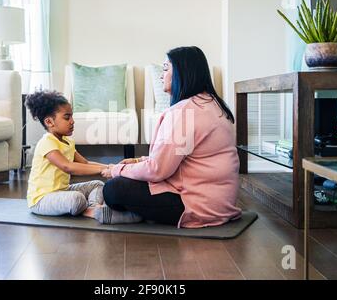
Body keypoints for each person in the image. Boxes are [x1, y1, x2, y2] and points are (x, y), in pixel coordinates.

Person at [101, 46, 242, 228]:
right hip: (220, 202)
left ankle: (130, 214)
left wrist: (116, 170)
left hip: (197, 205)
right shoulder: (213, 105)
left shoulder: (183, 112)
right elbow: (180, 157)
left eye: (166, 69)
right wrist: (138, 161)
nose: (161, 75)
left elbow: (158, 170)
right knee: (129, 178)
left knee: (113, 189)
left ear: (182, 73)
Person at [25, 91, 141, 224]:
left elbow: (85, 162)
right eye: (67, 117)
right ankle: (90, 211)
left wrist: (110, 167)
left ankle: (94, 208)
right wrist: (102, 170)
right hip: (42, 200)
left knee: (97, 185)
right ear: (49, 122)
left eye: (72, 117)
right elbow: (68, 167)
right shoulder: (47, 142)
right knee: (77, 198)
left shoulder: (68, 142)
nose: (72, 121)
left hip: (62, 191)